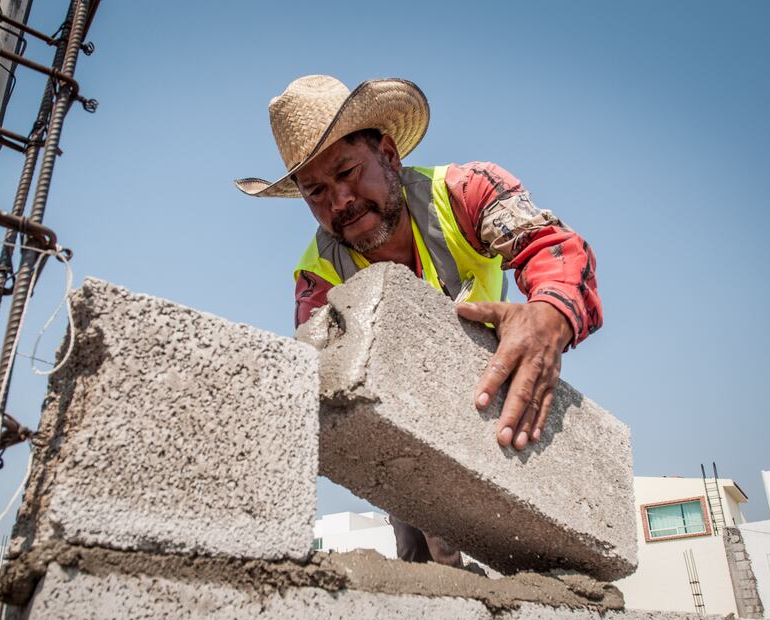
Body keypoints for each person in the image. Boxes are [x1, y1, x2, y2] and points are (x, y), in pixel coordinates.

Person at [235, 75, 602, 567]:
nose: (339, 201)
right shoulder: (317, 276)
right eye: (316, 191)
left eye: (347, 171)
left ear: (388, 155)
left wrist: (548, 317)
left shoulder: (466, 191)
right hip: (404, 418)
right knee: (421, 559)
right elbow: (320, 381)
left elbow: (553, 249)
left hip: (490, 400)